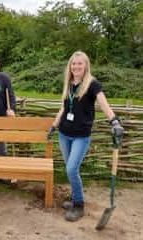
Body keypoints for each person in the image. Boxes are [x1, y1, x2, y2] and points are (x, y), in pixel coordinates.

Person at [48, 51, 124, 222]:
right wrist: (54, 125)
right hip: (64, 134)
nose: (76, 66)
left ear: (86, 66)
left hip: (81, 136)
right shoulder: (68, 83)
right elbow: (64, 108)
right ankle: (75, 199)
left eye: (79, 64)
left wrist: (114, 122)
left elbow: (104, 104)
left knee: (71, 169)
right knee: (70, 169)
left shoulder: (92, 84)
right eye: (73, 64)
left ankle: (79, 205)